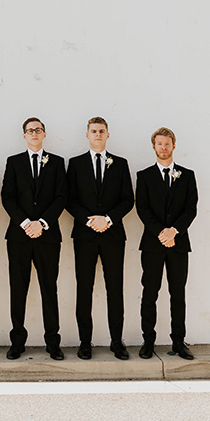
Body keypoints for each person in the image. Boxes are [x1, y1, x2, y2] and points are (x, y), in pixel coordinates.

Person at [66, 117, 134, 360]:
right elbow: (69, 199)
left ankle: (117, 341)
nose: (97, 134)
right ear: (87, 135)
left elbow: (128, 199)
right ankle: (85, 342)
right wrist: (89, 220)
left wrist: (107, 219)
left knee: (114, 289)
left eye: (101, 131)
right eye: (93, 131)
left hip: (113, 235)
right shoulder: (75, 164)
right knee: (84, 288)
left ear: (108, 135)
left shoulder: (121, 164)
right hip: (84, 236)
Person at [1, 117, 67, 360]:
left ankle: (53, 342)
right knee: (18, 289)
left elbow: (62, 197)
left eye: (38, 130)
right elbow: (7, 197)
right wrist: (26, 223)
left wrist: (43, 223)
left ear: (44, 134)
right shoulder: (14, 162)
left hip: (48, 236)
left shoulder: (57, 163)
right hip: (19, 236)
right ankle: (17, 341)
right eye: (30, 130)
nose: (34, 133)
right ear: (24, 135)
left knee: (49, 288)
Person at [135, 127, 199, 360]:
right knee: (150, 292)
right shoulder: (144, 176)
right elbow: (142, 208)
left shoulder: (188, 175)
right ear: (154, 147)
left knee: (178, 294)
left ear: (174, 146)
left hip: (179, 244)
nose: (163, 147)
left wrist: (174, 231)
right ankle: (148, 342)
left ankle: (179, 342)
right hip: (152, 245)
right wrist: (161, 232)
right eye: (159, 144)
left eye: (167, 143)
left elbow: (191, 209)